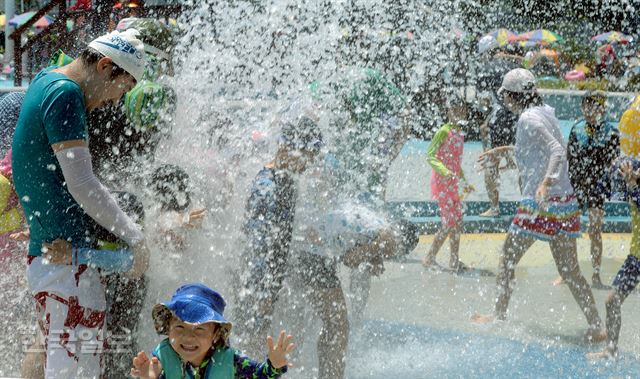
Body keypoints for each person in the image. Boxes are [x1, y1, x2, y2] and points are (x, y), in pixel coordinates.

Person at [12, 29, 150, 378]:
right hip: (65, 271)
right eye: (123, 88)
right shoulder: (66, 94)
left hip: (53, 260)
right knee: (74, 371)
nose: (114, 101)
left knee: (56, 360)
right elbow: (83, 183)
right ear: (106, 66)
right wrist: (136, 237)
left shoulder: (45, 80)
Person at [471, 69, 603, 339]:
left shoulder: (528, 118)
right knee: (570, 271)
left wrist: (545, 182)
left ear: (513, 96)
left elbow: (556, 150)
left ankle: (498, 315)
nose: (505, 101)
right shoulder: (545, 112)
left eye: (506, 96)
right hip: (564, 204)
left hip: (539, 204)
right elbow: (539, 150)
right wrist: (505, 151)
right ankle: (597, 326)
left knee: (507, 259)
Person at [234, 116, 322, 358]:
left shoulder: (285, 180)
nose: (308, 165)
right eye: (306, 157)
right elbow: (257, 245)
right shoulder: (267, 187)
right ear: (286, 148)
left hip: (270, 279)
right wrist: (261, 291)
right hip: (257, 282)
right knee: (252, 340)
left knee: (263, 340)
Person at [131, 283, 294, 379]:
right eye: (180, 327)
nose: (188, 337)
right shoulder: (160, 360)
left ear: (216, 334)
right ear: (168, 328)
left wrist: (274, 366)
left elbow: (260, 376)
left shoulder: (232, 362)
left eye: (199, 329)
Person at [563, 91, 619, 288]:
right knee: (570, 229)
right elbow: (569, 158)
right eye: (585, 106)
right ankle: (568, 272)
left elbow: (614, 161)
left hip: (597, 185)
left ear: (602, 108)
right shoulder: (576, 128)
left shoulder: (611, 132)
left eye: (593, 106)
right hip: (576, 184)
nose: (588, 110)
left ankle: (596, 275)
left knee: (595, 229)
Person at [586, 158, 640, 360]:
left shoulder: (634, 188)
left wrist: (633, 183)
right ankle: (611, 349)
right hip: (636, 258)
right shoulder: (631, 188)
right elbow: (605, 188)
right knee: (611, 301)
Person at [422, 97, 475, 272]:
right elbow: (430, 155)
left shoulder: (459, 134)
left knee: (458, 221)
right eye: (455, 109)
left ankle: (454, 260)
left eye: (462, 110)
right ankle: (429, 257)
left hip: (452, 182)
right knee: (449, 222)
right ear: (448, 111)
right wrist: (444, 172)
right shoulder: (443, 131)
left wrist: (464, 181)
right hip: (441, 182)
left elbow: (456, 163)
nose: (459, 113)